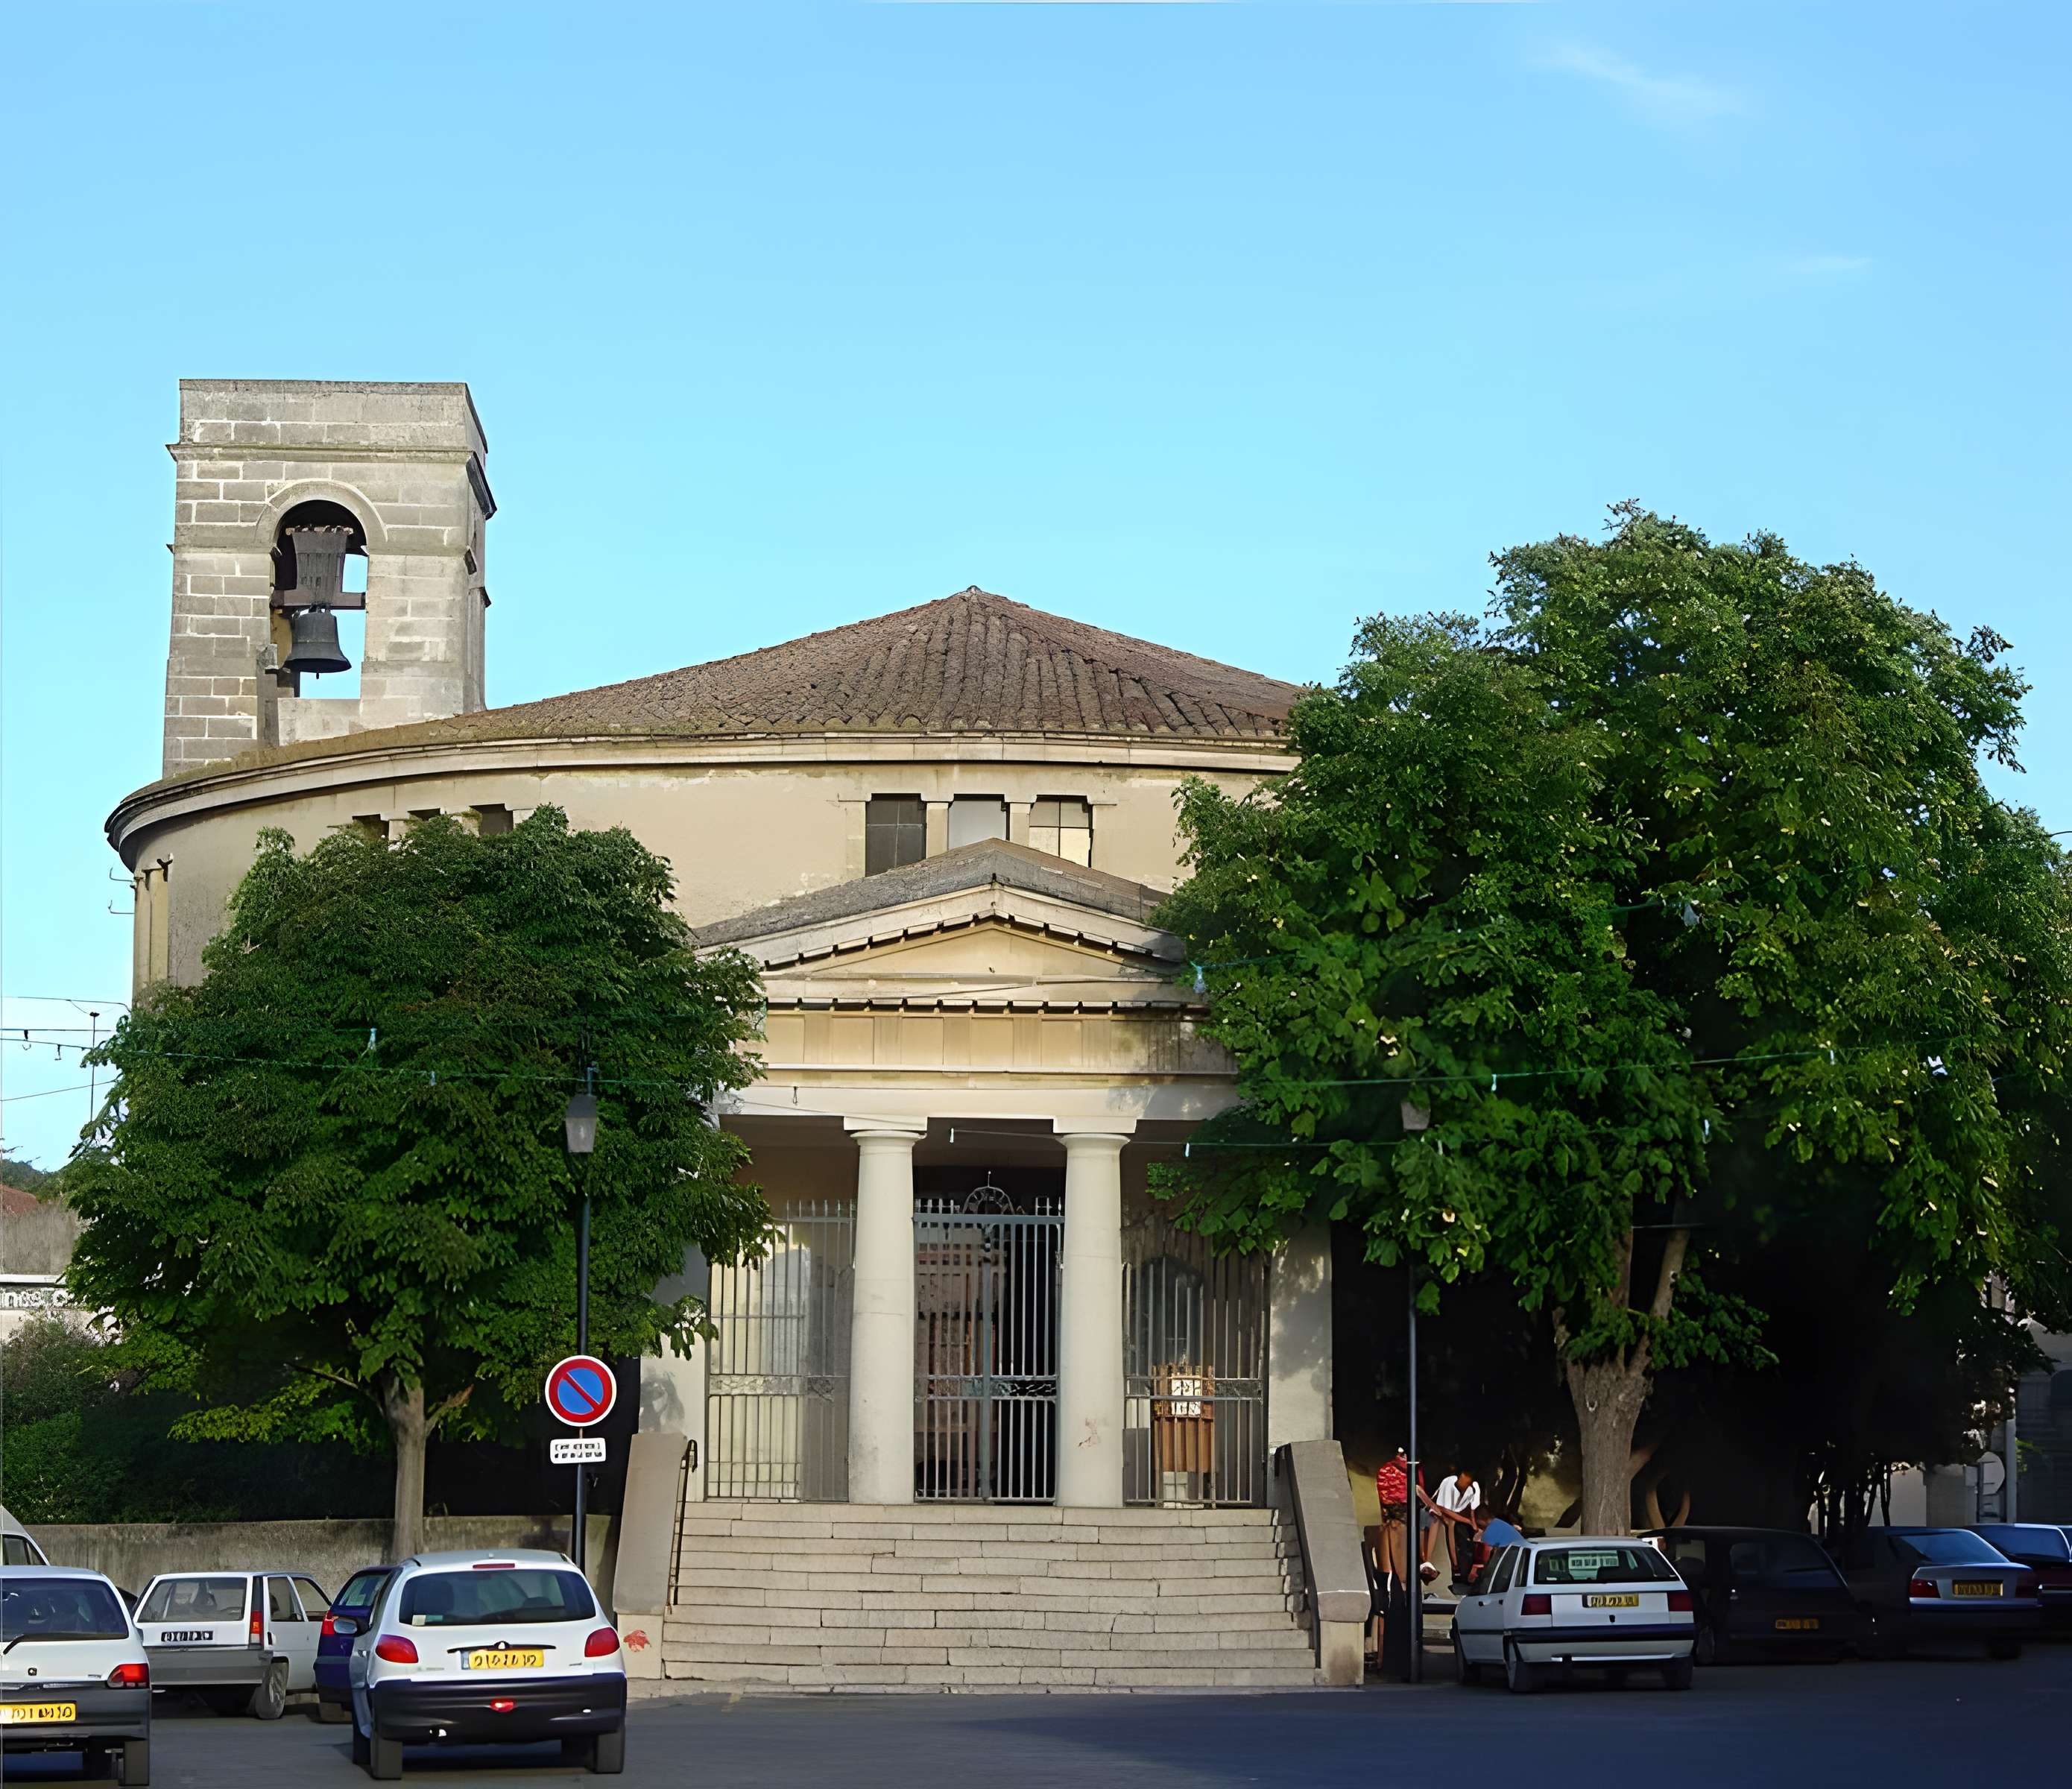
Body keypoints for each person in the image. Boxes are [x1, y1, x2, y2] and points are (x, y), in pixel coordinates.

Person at [1427, 1467, 1482, 1583]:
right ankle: (1453, 1562)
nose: (1464, 1485)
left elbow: (1471, 1509)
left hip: (1455, 1515)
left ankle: (1459, 1564)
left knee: (1461, 1531)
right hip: (1437, 1512)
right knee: (1449, 1523)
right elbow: (1444, 1509)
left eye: (1468, 1483)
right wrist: (1467, 1521)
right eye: (1463, 1481)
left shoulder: (1470, 1491)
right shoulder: (1449, 1483)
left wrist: (1473, 1524)